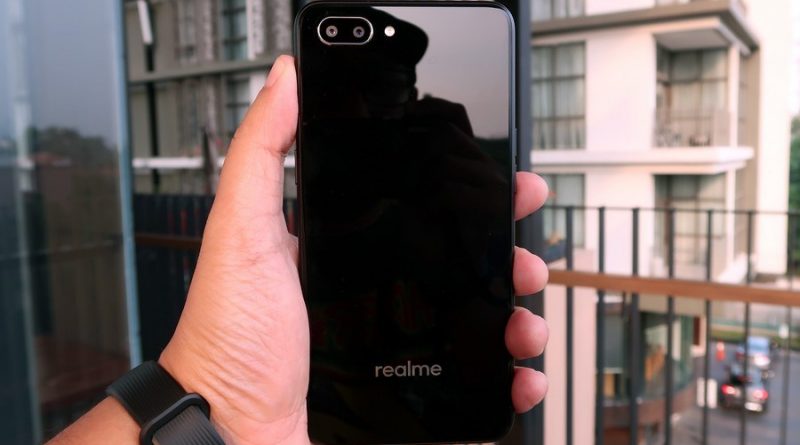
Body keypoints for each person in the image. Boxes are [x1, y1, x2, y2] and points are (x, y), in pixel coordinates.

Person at [49, 55, 550, 445]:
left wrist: (476, 260)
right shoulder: (291, 259)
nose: (370, 120)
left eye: (390, 93)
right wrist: (218, 402)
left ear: (416, 107)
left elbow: (471, 359)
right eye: (348, 96)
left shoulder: (439, 227)